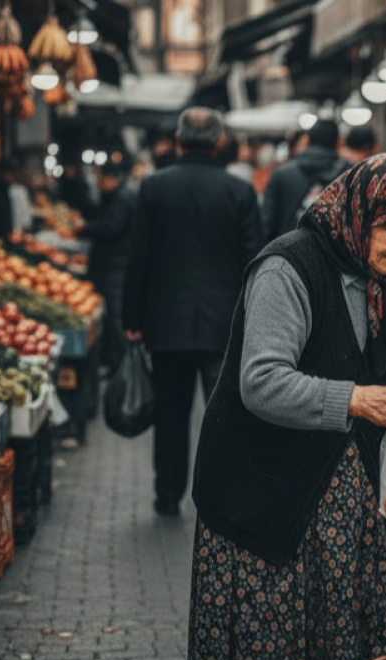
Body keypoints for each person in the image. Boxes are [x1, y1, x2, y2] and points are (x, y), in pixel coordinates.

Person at [185, 153, 386, 660]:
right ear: (360, 214)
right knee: (275, 656)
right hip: (267, 496)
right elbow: (260, 382)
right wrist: (355, 398)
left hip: (353, 499)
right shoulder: (289, 268)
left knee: (346, 654)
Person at [122, 107, 263, 517]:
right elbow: (255, 262)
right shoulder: (238, 190)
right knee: (226, 414)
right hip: (225, 323)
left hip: (166, 322)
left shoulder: (153, 187)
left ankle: (168, 495)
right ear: (219, 141)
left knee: (171, 413)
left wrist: (131, 319)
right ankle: (225, 495)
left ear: (180, 140)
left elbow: (139, 258)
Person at [76, 161, 137, 371]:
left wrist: (84, 229)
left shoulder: (121, 199)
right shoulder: (119, 197)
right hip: (114, 265)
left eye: (100, 179)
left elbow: (111, 228)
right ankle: (114, 361)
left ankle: (119, 365)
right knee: (112, 315)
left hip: (116, 267)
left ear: (110, 178)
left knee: (114, 316)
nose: (99, 183)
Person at [261, 119, 350, 242]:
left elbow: (266, 224)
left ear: (307, 140)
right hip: (335, 257)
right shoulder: (352, 174)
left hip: (289, 253)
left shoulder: (282, 174)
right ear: (339, 142)